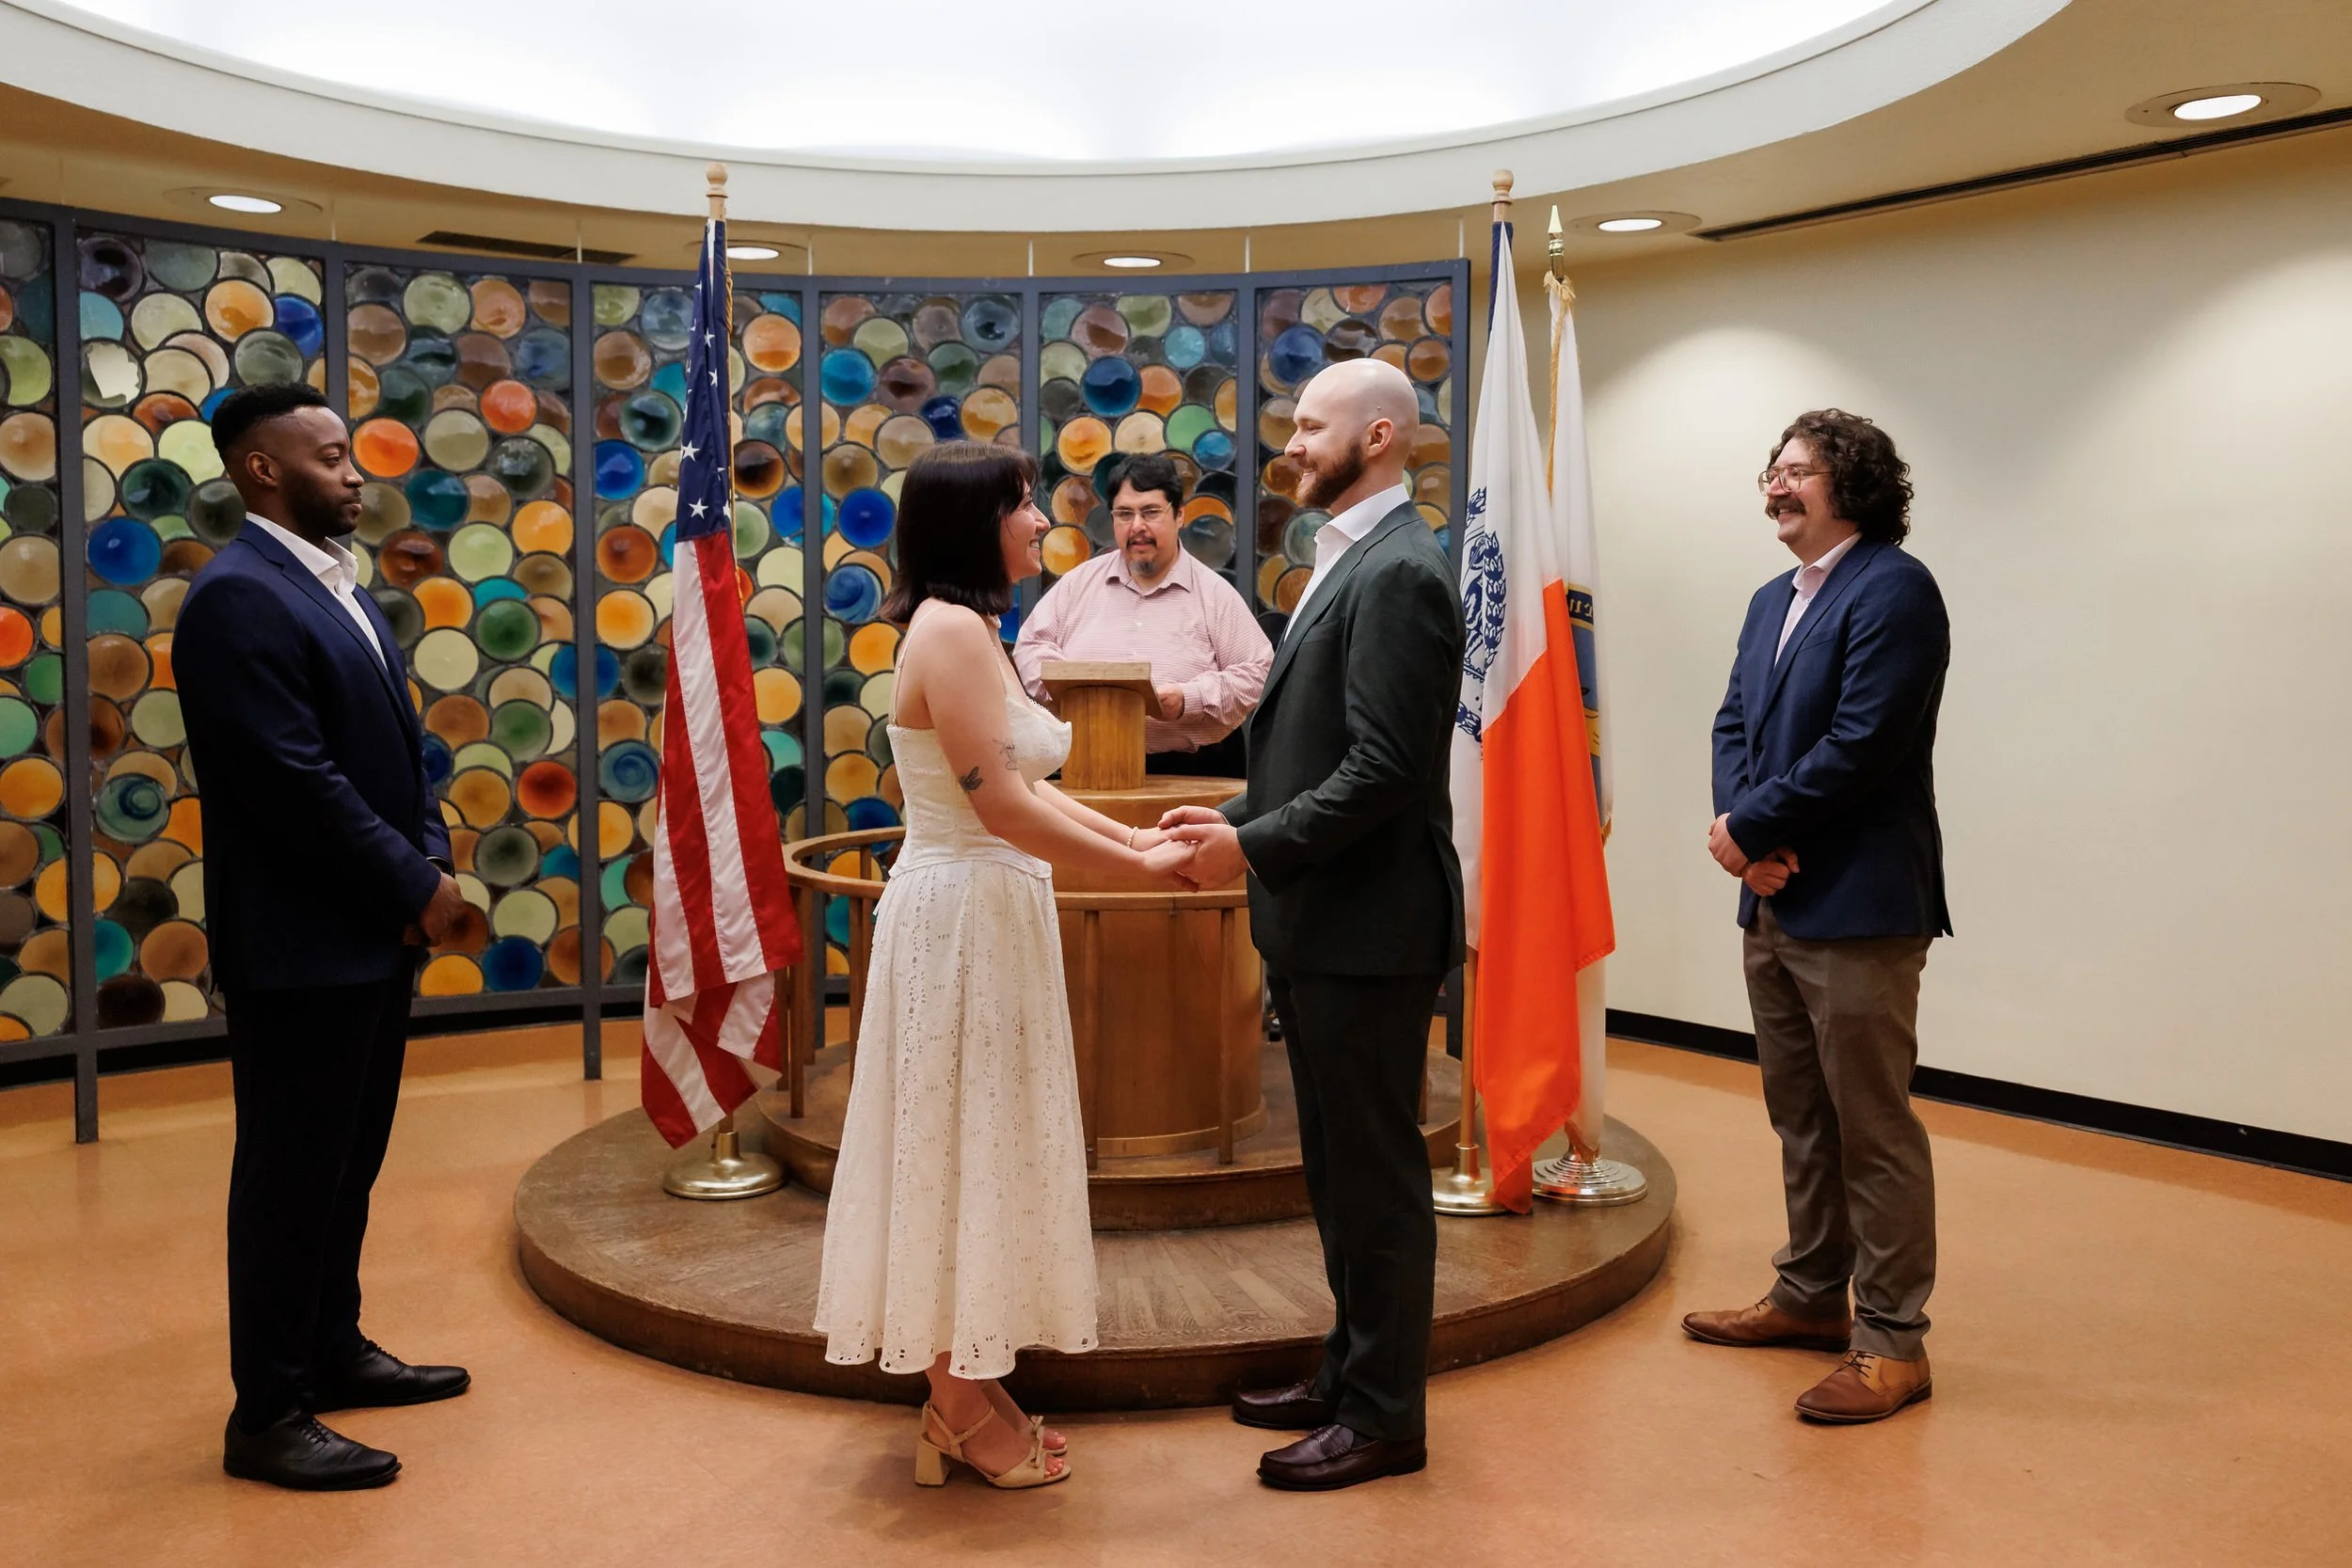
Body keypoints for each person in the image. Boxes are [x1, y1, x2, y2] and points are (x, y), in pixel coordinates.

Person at [813, 440, 1196, 1491]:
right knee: (952, 1143)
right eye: (1023, 505)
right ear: (971, 523)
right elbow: (1000, 803)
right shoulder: (948, 630)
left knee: (977, 1138)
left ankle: (970, 1384)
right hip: (963, 916)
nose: (1040, 520)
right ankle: (952, 1402)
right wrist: (1135, 869)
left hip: (989, 905)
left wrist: (1136, 846)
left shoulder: (973, 626)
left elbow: (1026, 784)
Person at [1160, 358, 1463, 1491]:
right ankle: (1349, 1366)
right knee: (1337, 1171)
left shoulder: (1400, 573)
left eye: (1309, 425)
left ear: (1379, 436)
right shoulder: (1347, 557)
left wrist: (1248, 843)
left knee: (1377, 1180)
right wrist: (1237, 807)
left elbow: (1387, 765)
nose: (1289, 442)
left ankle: (1387, 1414)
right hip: (1322, 921)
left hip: (1370, 929)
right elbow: (1325, 749)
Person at [175, 383, 473, 1491]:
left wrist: (429, 863)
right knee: (291, 1174)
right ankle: (268, 1410)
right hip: (301, 942)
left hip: (372, 929)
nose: (356, 474)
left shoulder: (338, 586)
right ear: (263, 469)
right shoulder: (238, 598)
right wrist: (413, 881)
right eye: (333, 456)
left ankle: (332, 1348)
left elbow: (398, 750)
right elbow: (291, 780)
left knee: (349, 1163)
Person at [1683, 408, 1952, 1425]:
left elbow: (1864, 740)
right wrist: (1745, 836)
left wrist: (1751, 823)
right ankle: (1807, 1296)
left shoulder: (1895, 587)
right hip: (1775, 895)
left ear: (1852, 483)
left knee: (1870, 1128)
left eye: (1796, 470)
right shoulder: (1770, 599)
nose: (1774, 485)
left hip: (1859, 903)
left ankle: (1893, 1341)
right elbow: (1734, 719)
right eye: (1771, 470)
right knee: (1801, 1117)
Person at [1013, 452, 1271, 778]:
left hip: (1191, 772)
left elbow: (1258, 672)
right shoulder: (1078, 584)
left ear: (1179, 515)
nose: (1137, 527)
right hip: (1085, 764)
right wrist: (1070, 688)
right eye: (1124, 514)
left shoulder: (1214, 595)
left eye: (1150, 512)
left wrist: (1188, 699)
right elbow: (1030, 645)